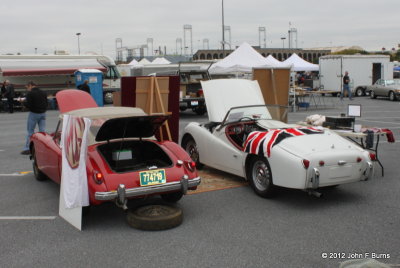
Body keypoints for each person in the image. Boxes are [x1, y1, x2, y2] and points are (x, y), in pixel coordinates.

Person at [21, 81, 48, 155]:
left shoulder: (30, 93)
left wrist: (22, 102)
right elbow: (46, 102)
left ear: (30, 85)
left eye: (27, 87)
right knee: (42, 131)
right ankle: (44, 147)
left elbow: (28, 105)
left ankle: (27, 148)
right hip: (43, 113)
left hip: (34, 113)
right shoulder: (43, 92)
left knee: (30, 131)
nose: (27, 89)